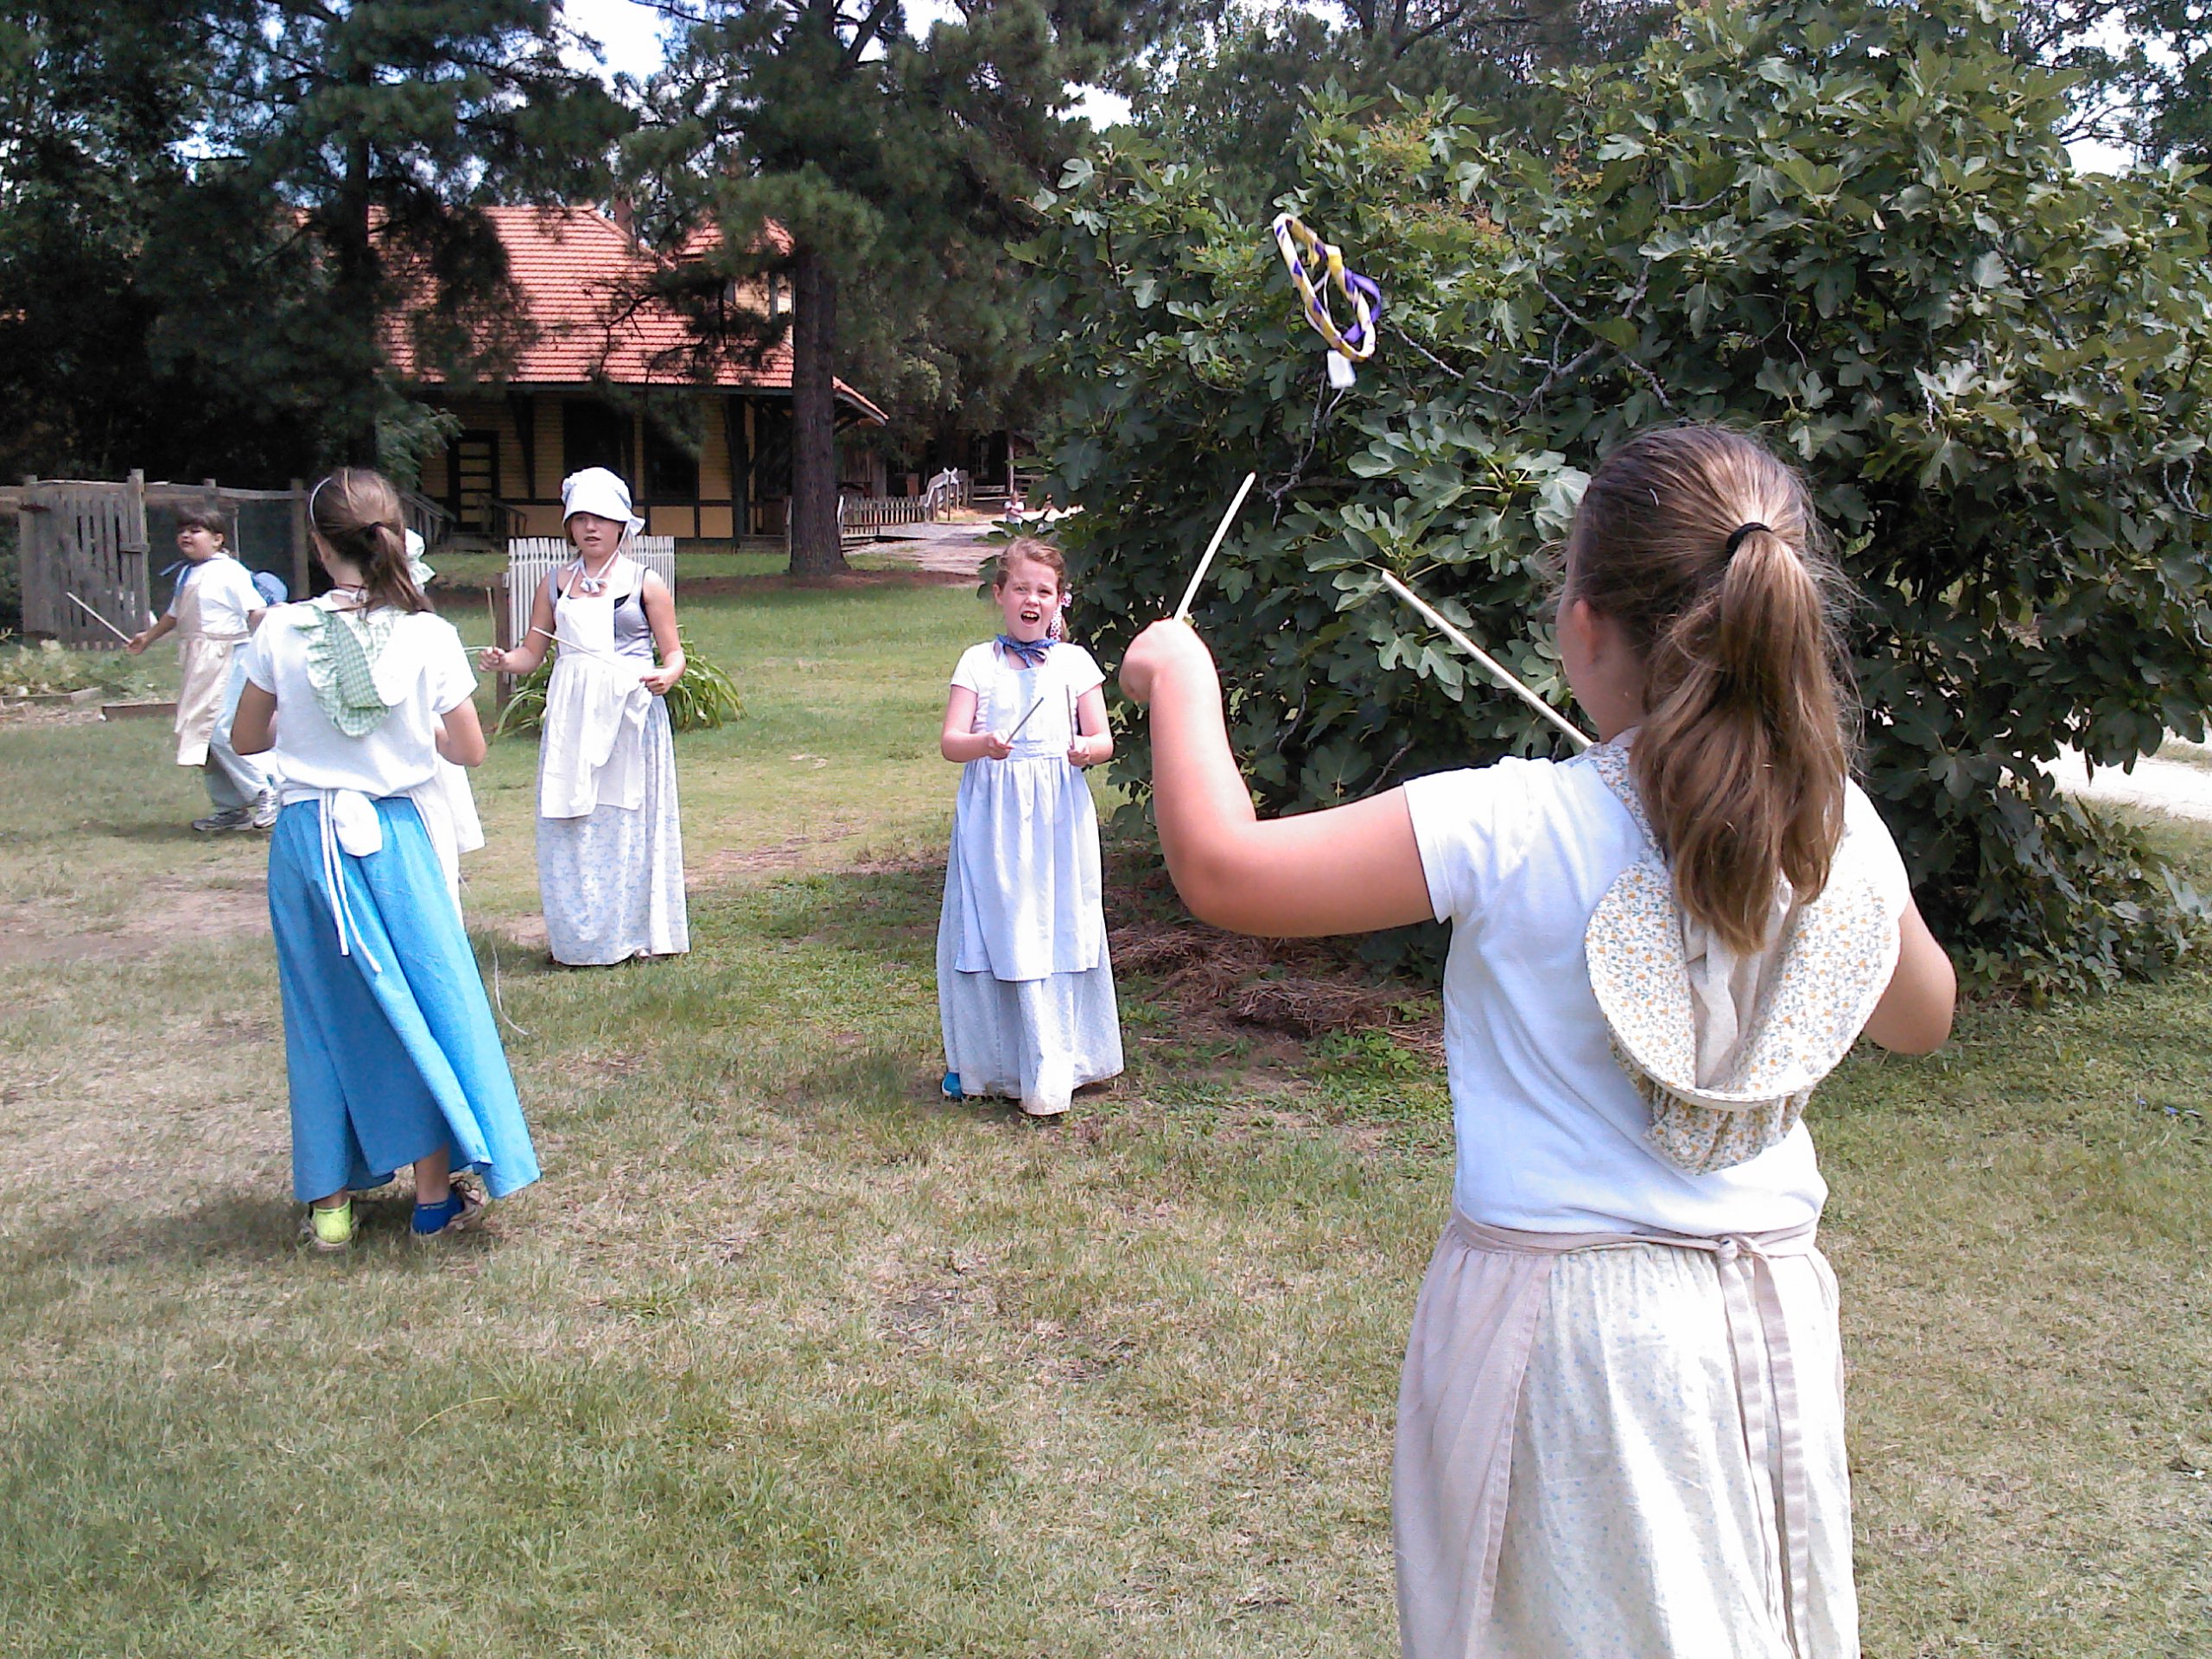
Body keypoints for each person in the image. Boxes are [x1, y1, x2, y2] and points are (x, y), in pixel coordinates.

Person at [1118, 425, 1957, 1659]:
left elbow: (1224, 866)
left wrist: (1182, 678)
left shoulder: (1516, 823)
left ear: (1582, 627)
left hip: (1567, 1346)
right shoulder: (1834, 827)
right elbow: (1922, 1013)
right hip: (1767, 1318)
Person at [232, 467, 538, 1250]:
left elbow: (246, 739)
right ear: (394, 536)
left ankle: (330, 1204)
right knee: (427, 1002)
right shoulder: (426, 633)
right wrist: (399, 735)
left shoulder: (277, 631)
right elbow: (467, 748)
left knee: (324, 1013)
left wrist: (317, 730)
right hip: (394, 840)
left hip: (308, 842)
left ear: (315, 543)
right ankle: (433, 1200)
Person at [937, 538, 1123, 1118]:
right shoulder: (977, 662)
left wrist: (1083, 751)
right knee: (1001, 927)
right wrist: (984, 745)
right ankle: (993, 1064)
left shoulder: (1074, 664)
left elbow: (1104, 739)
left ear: (1060, 601)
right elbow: (951, 742)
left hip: (1056, 819)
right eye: (1021, 588)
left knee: (1056, 924)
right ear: (1000, 594)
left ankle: (1063, 1062)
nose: (1032, 600)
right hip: (995, 819)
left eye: (1045, 591)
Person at [478, 468, 688, 965]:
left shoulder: (645, 583)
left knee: (626, 816)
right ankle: (580, 938)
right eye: (581, 519)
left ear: (621, 525)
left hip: (629, 713)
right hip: (573, 714)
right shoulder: (554, 584)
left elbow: (673, 653)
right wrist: (505, 661)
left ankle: (633, 933)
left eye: (603, 519)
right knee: (575, 817)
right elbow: (533, 652)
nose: (591, 528)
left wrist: (667, 676)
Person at [127, 507, 278, 832]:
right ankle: (231, 808)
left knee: (224, 729)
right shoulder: (190, 573)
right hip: (200, 660)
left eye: (196, 530)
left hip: (231, 656)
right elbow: (174, 614)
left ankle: (268, 789)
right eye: (183, 530)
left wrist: (284, 629)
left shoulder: (229, 572)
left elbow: (255, 612)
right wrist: (148, 638)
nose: (186, 536)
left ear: (218, 538)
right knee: (202, 736)